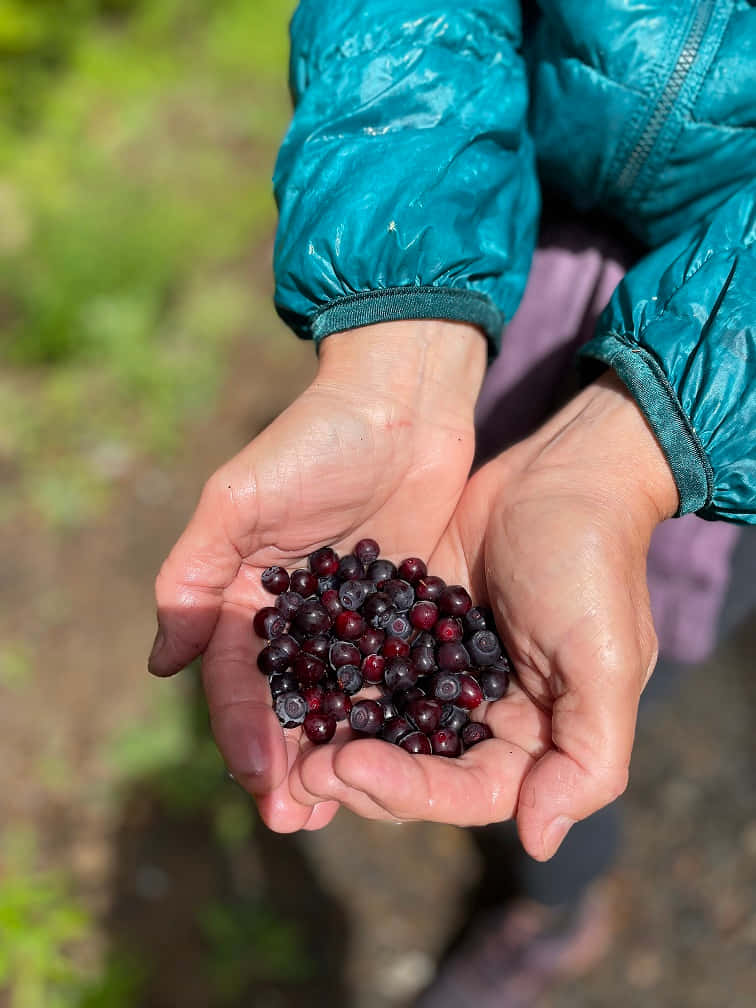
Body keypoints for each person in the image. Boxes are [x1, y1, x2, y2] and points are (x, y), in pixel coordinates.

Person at [148, 1, 755, 1002]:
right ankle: (538, 888)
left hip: (726, 421)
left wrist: (656, 439)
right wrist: (403, 323)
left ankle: (553, 905)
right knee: (536, 660)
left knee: (593, 674)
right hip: (501, 259)